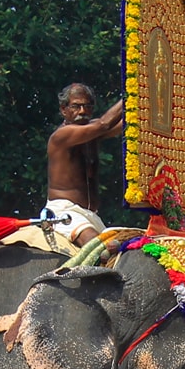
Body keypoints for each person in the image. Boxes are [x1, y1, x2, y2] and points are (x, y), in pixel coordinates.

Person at [43, 82, 122, 246]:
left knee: (125, 248)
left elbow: (126, 125)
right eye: (76, 106)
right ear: (63, 110)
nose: (83, 111)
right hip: (65, 211)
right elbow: (104, 124)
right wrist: (133, 92)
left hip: (91, 215)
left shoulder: (91, 131)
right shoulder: (62, 135)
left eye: (87, 106)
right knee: (101, 249)